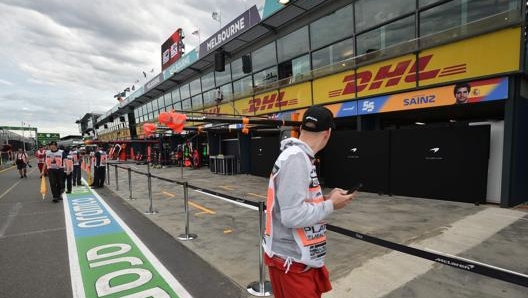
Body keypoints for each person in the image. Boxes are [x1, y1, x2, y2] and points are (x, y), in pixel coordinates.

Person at [263, 106, 357, 298]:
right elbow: (291, 215)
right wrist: (331, 205)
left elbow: (295, 204)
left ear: (302, 128)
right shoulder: (296, 159)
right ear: (327, 133)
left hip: (297, 260)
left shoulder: (301, 157)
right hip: (292, 262)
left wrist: (327, 199)